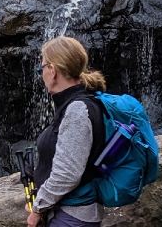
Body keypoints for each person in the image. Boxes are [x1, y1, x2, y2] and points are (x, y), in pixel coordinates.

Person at [27, 36, 107, 227]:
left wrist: (38, 208)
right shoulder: (78, 102)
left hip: (73, 218)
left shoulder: (77, 109)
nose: (42, 74)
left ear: (53, 71)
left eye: (42, 68)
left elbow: (68, 174)